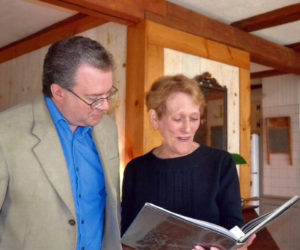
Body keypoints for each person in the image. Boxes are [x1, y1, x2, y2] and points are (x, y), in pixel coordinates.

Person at [0, 36, 122, 250]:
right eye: (94, 98)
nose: (104, 106)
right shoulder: (6, 133)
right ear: (58, 92)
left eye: (108, 94)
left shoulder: (108, 129)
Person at [121, 74, 255, 249]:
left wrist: (238, 245)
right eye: (178, 118)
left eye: (194, 118)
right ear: (155, 118)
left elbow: (233, 226)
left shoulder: (220, 163)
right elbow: (128, 234)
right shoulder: (136, 170)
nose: (187, 128)